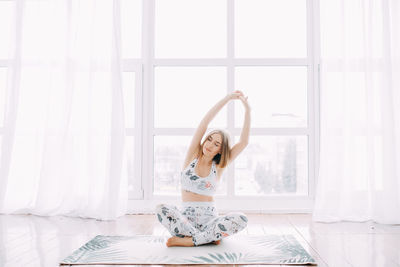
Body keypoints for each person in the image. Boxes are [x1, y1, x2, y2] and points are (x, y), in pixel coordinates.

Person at [155, 90, 251, 247]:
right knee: (161, 209)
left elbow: (244, 141)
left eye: (216, 144)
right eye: (209, 139)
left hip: (210, 221)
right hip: (186, 221)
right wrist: (227, 98)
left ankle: (191, 241)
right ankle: (205, 238)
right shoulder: (192, 156)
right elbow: (204, 123)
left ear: (220, 150)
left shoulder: (219, 165)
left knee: (241, 218)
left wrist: (247, 110)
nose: (209, 145)